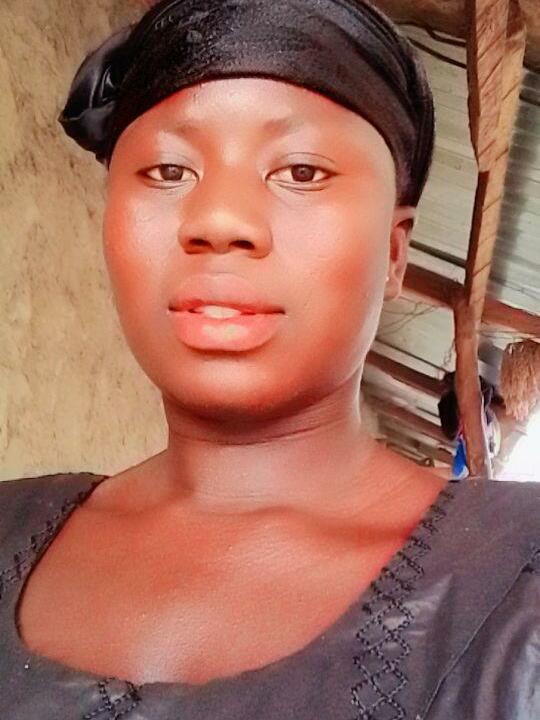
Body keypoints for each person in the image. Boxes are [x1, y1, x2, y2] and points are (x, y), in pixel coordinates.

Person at [0, 1, 538, 718]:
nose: (220, 220)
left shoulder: (518, 579)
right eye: (167, 170)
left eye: (302, 171)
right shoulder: (9, 524)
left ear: (394, 253)